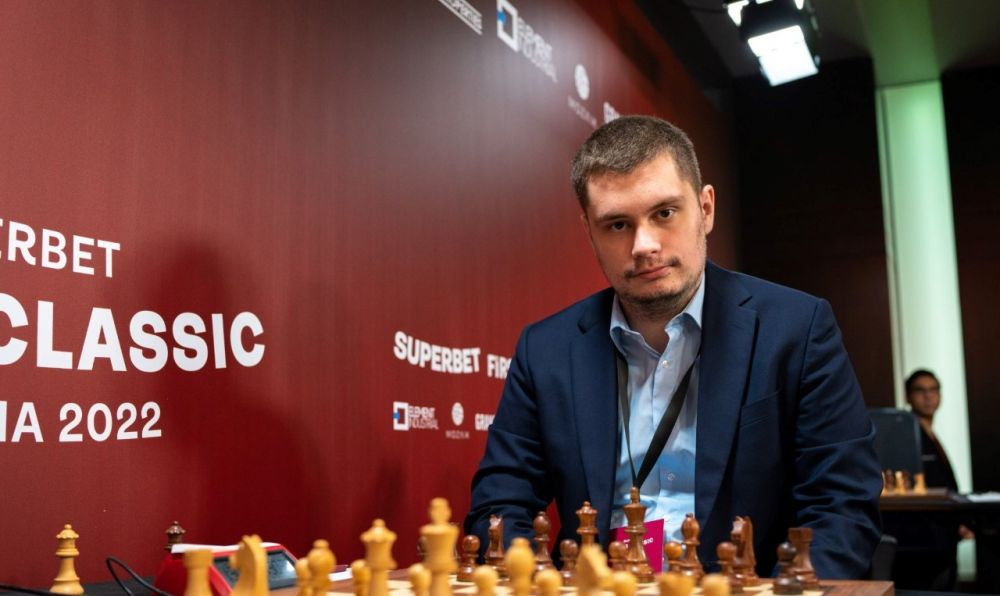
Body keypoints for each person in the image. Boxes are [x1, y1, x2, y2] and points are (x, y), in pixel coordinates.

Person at [464, 115, 882, 578]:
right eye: (617, 224)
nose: (644, 245)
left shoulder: (797, 330)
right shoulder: (545, 351)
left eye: (664, 213)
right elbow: (499, 505)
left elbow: (843, 510)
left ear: (705, 209)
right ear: (589, 233)